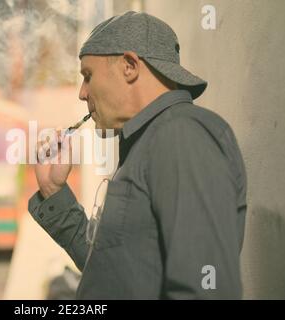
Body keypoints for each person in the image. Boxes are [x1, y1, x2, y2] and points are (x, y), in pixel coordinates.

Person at [28, 11, 247, 299]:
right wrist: (53, 190)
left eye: (88, 76)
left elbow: (205, 291)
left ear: (129, 66)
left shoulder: (182, 135)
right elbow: (115, 273)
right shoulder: (152, 140)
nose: (82, 93)